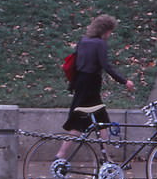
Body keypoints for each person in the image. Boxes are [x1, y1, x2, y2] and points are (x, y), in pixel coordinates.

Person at [55, 15, 134, 165]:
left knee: (99, 121)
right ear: (105, 30)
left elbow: (76, 63)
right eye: (110, 31)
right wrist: (124, 81)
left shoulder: (83, 41)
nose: (110, 35)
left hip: (81, 84)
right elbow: (106, 65)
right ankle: (62, 154)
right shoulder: (100, 44)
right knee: (86, 123)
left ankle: (103, 158)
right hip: (91, 86)